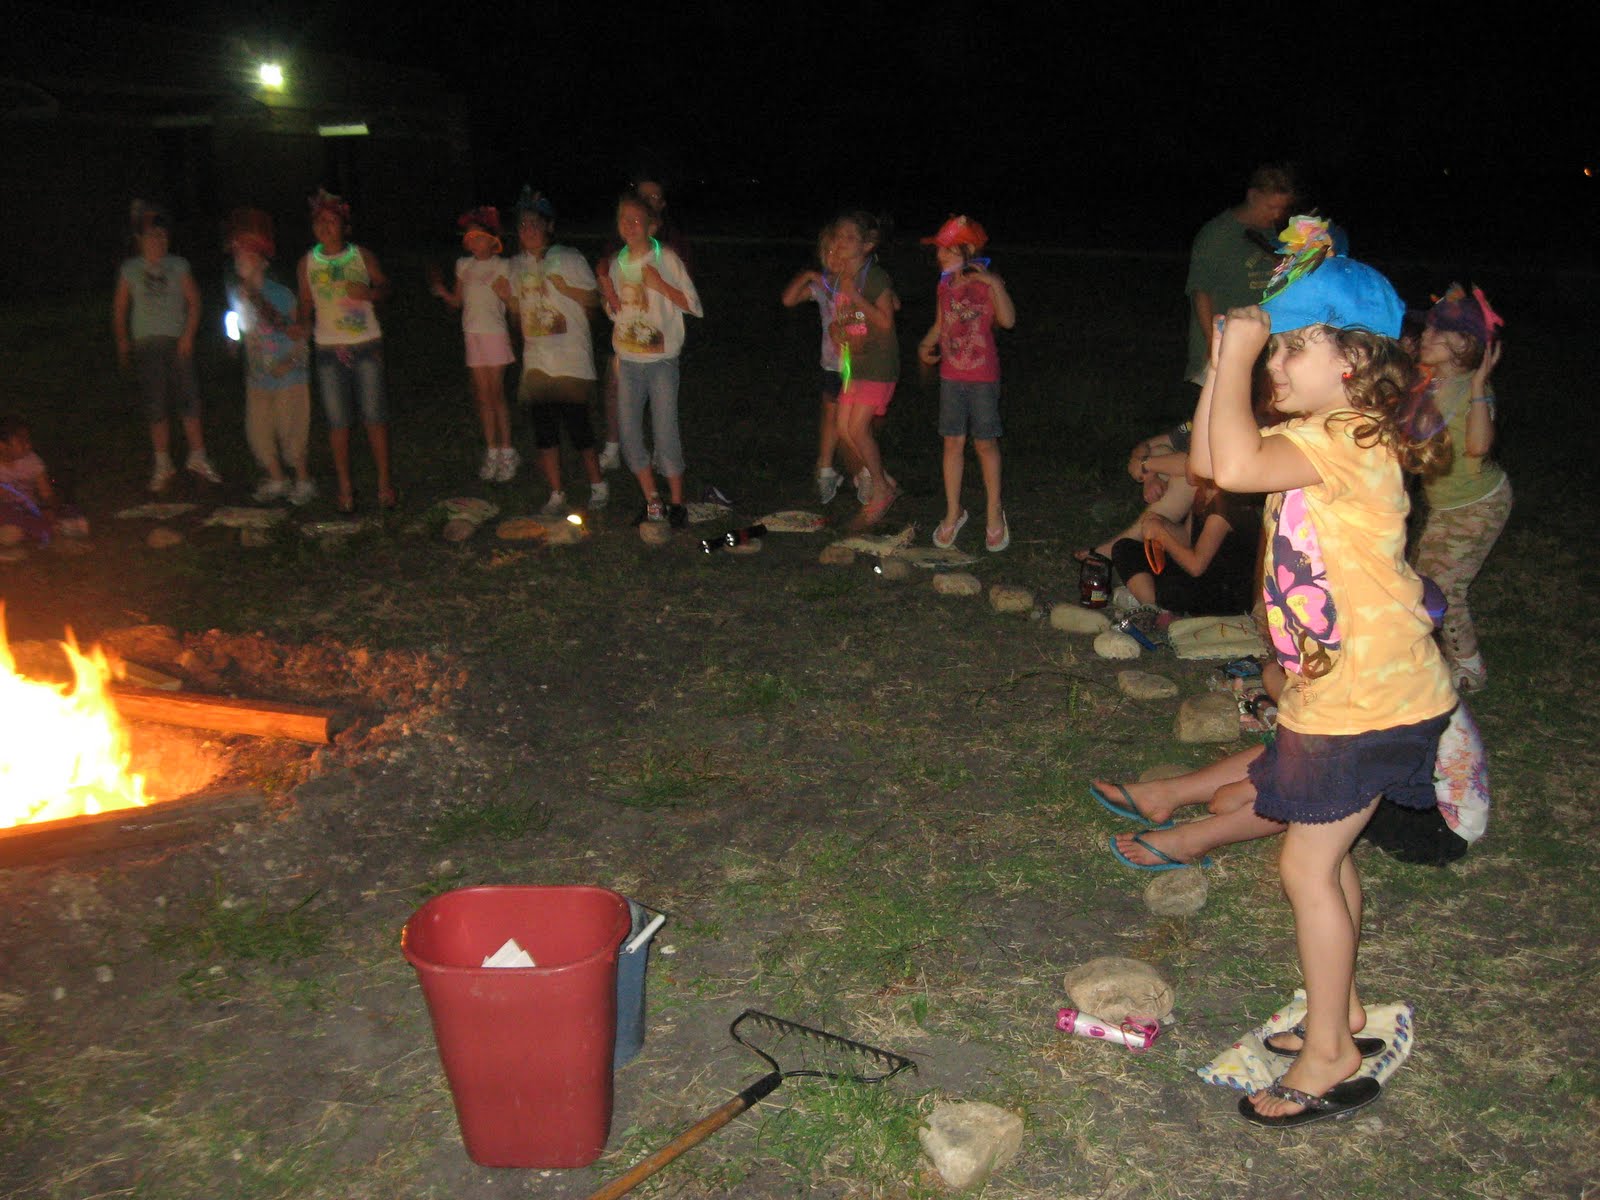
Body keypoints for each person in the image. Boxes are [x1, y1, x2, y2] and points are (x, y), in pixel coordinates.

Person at [1191, 223, 1454, 1127]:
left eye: (1296, 346)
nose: (1277, 362)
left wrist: (1235, 350)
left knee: (1307, 865)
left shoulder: (1347, 434)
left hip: (1369, 700)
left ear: (1355, 358)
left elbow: (1227, 461)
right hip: (1344, 694)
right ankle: (1335, 1011)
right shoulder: (1322, 428)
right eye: (1279, 345)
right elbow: (1210, 461)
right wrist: (1233, 358)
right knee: (1323, 854)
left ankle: (1333, 1051)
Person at [1411, 284, 1509, 693]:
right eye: (1427, 330)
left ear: (1465, 345)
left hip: (1477, 504)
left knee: (1443, 589)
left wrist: (1480, 384)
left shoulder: (1471, 387)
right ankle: (1433, 660)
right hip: (1447, 505)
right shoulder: (1430, 382)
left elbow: (1478, 446)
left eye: (1438, 334)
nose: (1426, 337)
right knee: (1422, 583)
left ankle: (1469, 668)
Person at [597, 190, 702, 526]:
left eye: (637, 219)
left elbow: (692, 304)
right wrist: (609, 298)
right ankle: (651, 499)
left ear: (651, 226)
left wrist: (659, 285)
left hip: (661, 362)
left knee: (665, 430)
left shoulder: (666, 258)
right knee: (628, 434)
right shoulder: (617, 263)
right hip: (627, 360)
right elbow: (617, 314)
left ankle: (676, 502)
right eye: (624, 219)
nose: (630, 225)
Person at [503, 189, 607, 514]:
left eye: (535, 224)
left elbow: (595, 302)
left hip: (571, 359)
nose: (529, 230)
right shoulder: (516, 265)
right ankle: (556, 493)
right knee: (544, 431)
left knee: (579, 428)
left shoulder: (570, 257)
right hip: (537, 361)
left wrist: (566, 290)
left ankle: (597, 486)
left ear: (549, 226)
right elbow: (517, 313)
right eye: (523, 225)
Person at [916, 215, 1016, 552]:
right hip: (951, 377)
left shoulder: (988, 284)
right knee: (952, 443)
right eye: (939, 250)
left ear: (969, 249)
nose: (940, 255)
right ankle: (953, 511)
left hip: (983, 377)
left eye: (947, 249)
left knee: (985, 444)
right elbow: (941, 325)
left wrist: (995, 284)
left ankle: (993, 511)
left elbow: (1008, 320)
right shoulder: (944, 285)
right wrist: (925, 345)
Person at [296, 188, 395, 513]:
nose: (326, 227)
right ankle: (345, 488)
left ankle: (383, 484)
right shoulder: (307, 262)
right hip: (328, 349)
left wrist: (369, 292)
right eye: (320, 221)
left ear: (344, 226)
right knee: (338, 421)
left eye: (332, 221)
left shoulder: (360, 256)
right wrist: (302, 328)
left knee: (374, 416)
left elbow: (385, 287)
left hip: (365, 345)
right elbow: (306, 305)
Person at [112, 202, 222, 492]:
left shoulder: (178, 265)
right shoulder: (131, 269)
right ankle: (162, 464)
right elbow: (120, 308)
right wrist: (123, 341)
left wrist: (188, 335)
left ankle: (197, 457)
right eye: (152, 236)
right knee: (156, 403)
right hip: (147, 344)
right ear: (140, 241)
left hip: (177, 341)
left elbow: (195, 301)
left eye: (162, 236)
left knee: (189, 398)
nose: (158, 241)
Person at [224, 209, 315, 505]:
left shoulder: (282, 295)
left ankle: (302, 480)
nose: (239, 260)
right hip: (258, 376)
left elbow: (300, 333)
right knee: (259, 432)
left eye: (245, 255)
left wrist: (290, 361)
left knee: (292, 431)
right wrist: (233, 339)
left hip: (289, 375)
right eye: (236, 255)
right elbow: (240, 327)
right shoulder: (238, 295)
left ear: (261, 261)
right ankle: (277, 478)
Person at [1184, 164, 1296, 386]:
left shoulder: (1269, 232)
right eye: (1271, 207)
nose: (1277, 214)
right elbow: (1200, 293)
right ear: (1253, 196)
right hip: (1223, 342)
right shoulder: (1218, 234)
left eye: (1281, 208)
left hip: (1256, 345)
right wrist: (1212, 343)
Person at [430, 206, 516, 483]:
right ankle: (491, 451)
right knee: (482, 396)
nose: (472, 243)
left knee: (496, 393)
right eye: (469, 239)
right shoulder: (463, 266)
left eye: (478, 237)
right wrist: (442, 292)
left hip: (494, 334)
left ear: (493, 240)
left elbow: (511, 301)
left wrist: (507, 296)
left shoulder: (503, 265)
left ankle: (507, 451)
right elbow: (458, 301)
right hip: (473, 334)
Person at [826, 210, 900, 529]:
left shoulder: (875, 278)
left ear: (867, 245)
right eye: (838, 236)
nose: (841, 242)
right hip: (855, 367)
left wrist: (857, 297)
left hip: (878, 365)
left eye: (850, 238)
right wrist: (836, 331)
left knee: (857, 429)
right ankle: (882, 478)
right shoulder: (842, 277)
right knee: (843, 428)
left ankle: (881, 490)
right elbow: (843, 321)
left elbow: (884, 323)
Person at [781, 224, 863, 504]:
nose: (833, 256)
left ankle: (863, 473)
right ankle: (826, 470)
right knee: (830, 417)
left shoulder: (856, 284)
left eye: (838, 250)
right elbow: (789, 299)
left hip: (856, 366)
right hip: (831, 365)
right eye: (828, 251)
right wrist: (807, 275)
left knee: (851, 424)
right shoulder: (821, 287)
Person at [1109, 478, 1262, 616]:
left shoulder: (1225, 506)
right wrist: (1161, 522)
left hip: (1224, 592)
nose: (1187, 463)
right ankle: (1152, 607)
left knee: (1171, 588)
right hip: (1203, 575)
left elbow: (1196, 567)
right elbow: (1187, 538)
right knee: (1125, 548)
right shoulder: (1203, 493)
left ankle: (1158, 608)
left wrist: (1161, 534)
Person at [0, 414, 89, 548]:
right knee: (10, 533)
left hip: (29, 510)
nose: (28, 445)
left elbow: (47, 494)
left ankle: (38, 530)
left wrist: (49, 509)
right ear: (3, 445)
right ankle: (38, 532)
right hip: (7, 513)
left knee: (80, 524)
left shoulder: (32, 461)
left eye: (28, 440)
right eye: (21, 441)